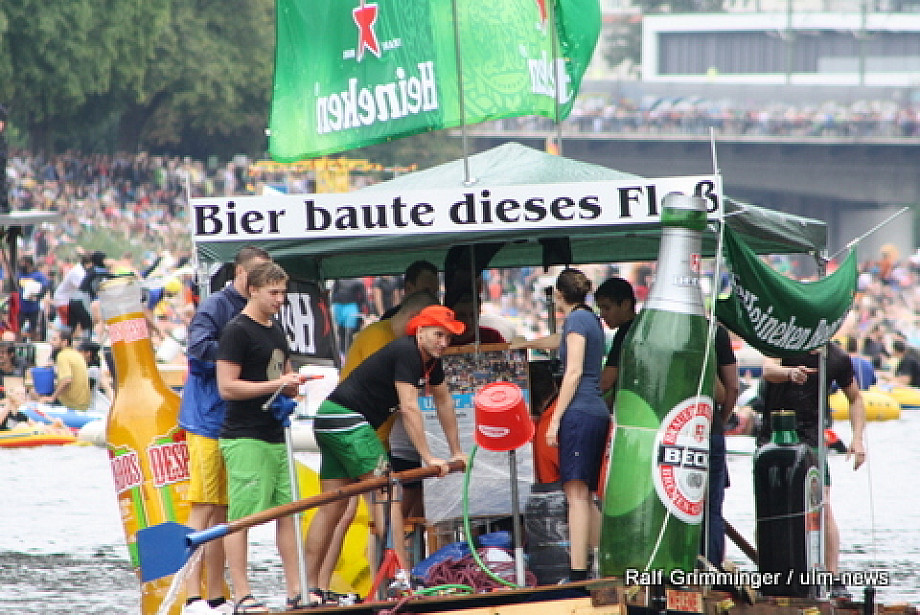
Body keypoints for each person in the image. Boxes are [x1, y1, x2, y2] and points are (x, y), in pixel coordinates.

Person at [304, 305, 466, 606]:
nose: (444, 343)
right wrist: (429, 457)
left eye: (448, 337)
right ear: (420, 331)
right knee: (388, 491)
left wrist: (456, 451)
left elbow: (444, 402)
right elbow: (409, 407)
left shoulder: (432, 361)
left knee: (332, 508)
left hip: (330, 416)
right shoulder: (407, 352)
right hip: (347, 420)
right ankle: (401, 578)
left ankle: (308, 589)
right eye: (438, 335)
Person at [176, 244, 271, 615]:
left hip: (236, 421)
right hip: (207, 418)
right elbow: (197, 349)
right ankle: (191, 596)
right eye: (260, 276)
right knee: (203, 504)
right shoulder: (216, 305)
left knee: (224, 511)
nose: (266, 284)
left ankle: (215, 595)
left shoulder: (260, 311)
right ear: (242, 274)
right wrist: (237, 353)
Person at [216, 261, 305, 613]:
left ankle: (296, 590)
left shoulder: (277, 328)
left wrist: (293, 385)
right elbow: (227, 387)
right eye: (273, 293)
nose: (280, 300)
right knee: (243, 517)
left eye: (283, 293)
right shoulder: (236, 330)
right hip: (244, 435)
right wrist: (278, 384)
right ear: (253, 290)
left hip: (276, 433)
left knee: (290, 512)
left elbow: (284, 374)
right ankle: (242, 594)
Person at [513, 269, 610, 581]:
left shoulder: (577, 320)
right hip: (594, 410)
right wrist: (528, 344)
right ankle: (599, 564)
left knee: (576, 496)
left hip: (579, 411)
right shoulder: (588, 318)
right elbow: (561, 341)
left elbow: (574, 372)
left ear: (558, 294)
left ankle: (578, 573)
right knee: (587, 495)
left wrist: (555, 420)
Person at [761, 343, 867, 600]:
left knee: (822, 504)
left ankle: (832, 576)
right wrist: (790, 373)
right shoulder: (785, 341)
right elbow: (768, 370)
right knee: (769, 507)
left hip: (812, 438)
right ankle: (768, 571)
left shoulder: (837, 357)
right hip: (774, 434)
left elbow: (855, 398)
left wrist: (857, 439)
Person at [704, 325, 740, 568]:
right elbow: (730, 390)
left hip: (668, 428)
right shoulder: (714, 331)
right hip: (709, 427)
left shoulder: (660, 325)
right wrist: (721, 421)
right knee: (712, 511)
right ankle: (712, 568)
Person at [594, 276, 638, 402]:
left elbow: (606, 382)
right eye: (600, 309)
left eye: (607, 308)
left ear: (625, 304)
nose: (603, 314)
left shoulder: (625, 334)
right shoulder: (639, 327)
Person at [41, 327, 91, 412]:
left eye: (54, 339)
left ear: (64, 342)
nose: (51, 342)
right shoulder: (75, 354)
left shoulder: (62, 355)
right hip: (83, 404)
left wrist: (52, 398)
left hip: (71, 404)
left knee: (37, 396)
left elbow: (67, 380)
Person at [17, 255, 50, 341]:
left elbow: (45, 287)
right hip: (21, 307)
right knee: (18, 329)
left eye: (23, 263)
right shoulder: (19, 274)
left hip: (33, 307)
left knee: (34, 329)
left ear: (28, 264)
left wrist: (37, 296)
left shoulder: (38, 275)